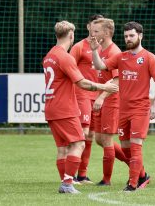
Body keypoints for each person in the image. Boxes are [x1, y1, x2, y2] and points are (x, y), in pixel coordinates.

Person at [43, 20, 118, 194]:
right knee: (79, 144)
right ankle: (68, 183)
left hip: (51, 107)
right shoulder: (65, 57)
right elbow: (82, 82)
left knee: (63, 148)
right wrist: (104, 87)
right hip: (64, 108)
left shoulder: (49, 55)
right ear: (71, 35)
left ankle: (65, 181)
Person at [91, 21, 155, 192]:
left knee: (135, 145)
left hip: (140, 109)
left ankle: (132, 184)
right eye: (125, 36)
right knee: (125, 148)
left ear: (140, 36)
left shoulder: (149, 57)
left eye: (131, 35)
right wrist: (94, 50)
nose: (128, 39)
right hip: (124, 110)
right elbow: (101, 66)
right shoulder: (121, 56)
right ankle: (143, 176)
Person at [89, 18, 129, 186]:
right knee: (99, 139)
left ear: (106, 33)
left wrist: (101, 97)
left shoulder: (114, 52)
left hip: (111, 101)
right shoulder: (100, 49)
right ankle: (135, 166)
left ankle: (106, 180)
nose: (92, 34)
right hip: (103, 100)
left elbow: (117, 81)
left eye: (96, 31)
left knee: (106, 140)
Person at [69, 14, 104, 184]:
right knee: (81, 134)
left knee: (91, 136)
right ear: (88, 26)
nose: (96, 29)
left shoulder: (107, 47)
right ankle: (72, 174)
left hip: (98, 96)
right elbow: (68, 68)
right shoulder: (79, 47)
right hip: (82, 94)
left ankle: (82, 175)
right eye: (94, 25)